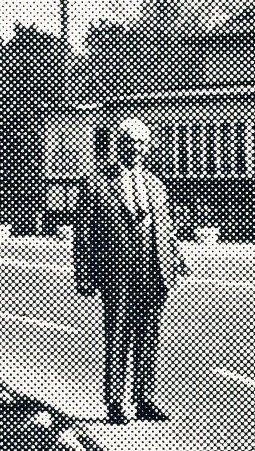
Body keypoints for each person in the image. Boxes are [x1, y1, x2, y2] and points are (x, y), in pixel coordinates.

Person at [73, 117, 189, 424]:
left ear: (147, 147)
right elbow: (83, 233)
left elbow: (166, 229)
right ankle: (114, 404)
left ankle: (144, 399)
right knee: (118, 337)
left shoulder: (155, 185)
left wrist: (177, 260)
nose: (135, 148)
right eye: (128, 142)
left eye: (141, 143)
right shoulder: (95, 183)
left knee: (148, 337)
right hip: (117, 272)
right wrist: (84, 274)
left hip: (154, 271)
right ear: (118, 144)